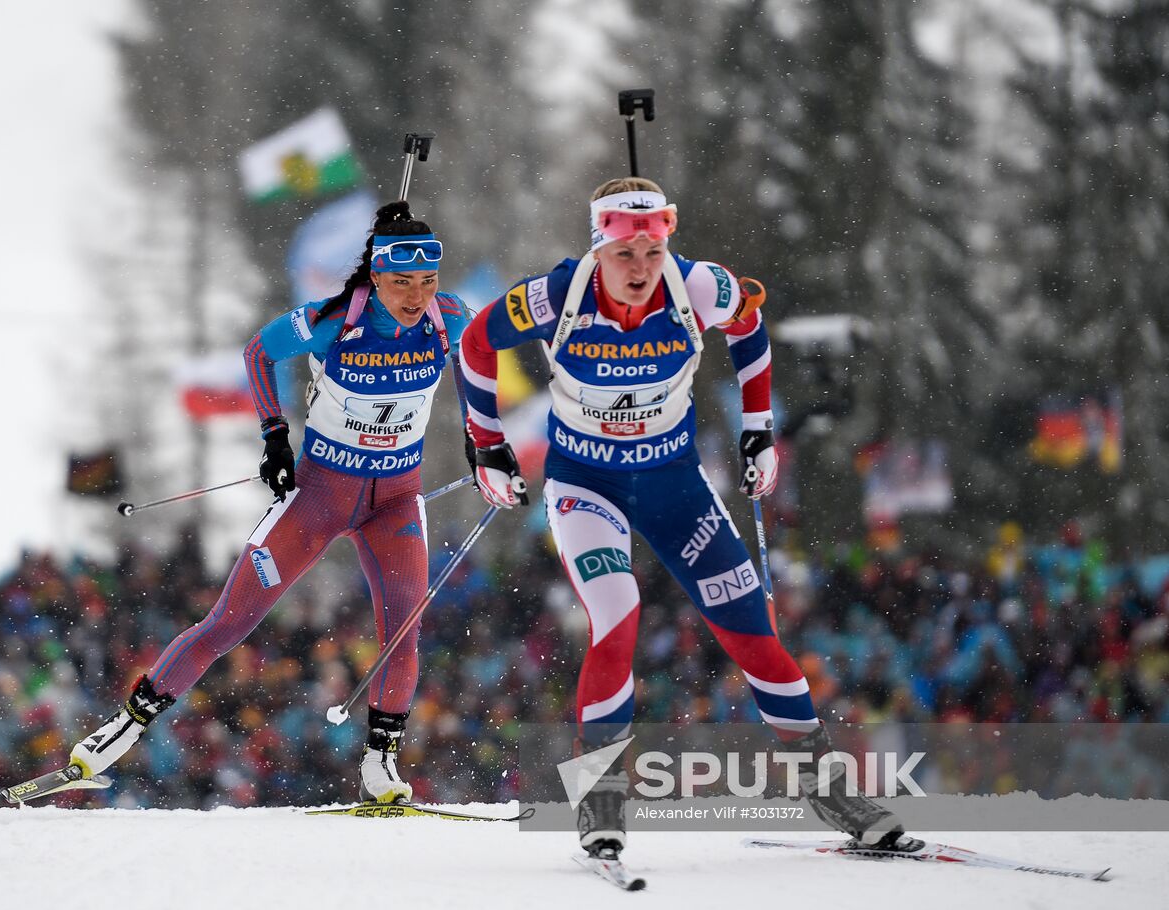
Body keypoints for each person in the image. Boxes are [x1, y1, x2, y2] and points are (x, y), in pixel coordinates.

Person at [458, 178, 905, 862]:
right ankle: (602, 797)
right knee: (618, 612)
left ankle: (828, 789)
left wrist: (759, 431)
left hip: (675, 487)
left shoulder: (698, 287)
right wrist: (486, 442)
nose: (640, 268)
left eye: (652, 249)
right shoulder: (558, 294)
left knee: (755, 633)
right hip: (587, 487)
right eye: (625, 253)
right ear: (598, 248)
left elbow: (751, 328)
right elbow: (475, 343)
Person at [70, 201, 475, 804]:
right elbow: (259, 352)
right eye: (400, 283)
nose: (415, 296)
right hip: (319, 496)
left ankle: (381, 763)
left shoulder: (449, 318)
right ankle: (122, 728)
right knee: (229, 623)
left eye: (426, 282)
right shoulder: (335, 318)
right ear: (375, 276)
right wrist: (274, 436)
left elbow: (480, 368)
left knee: (403, 634)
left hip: (396, 499)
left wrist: (481, 438)